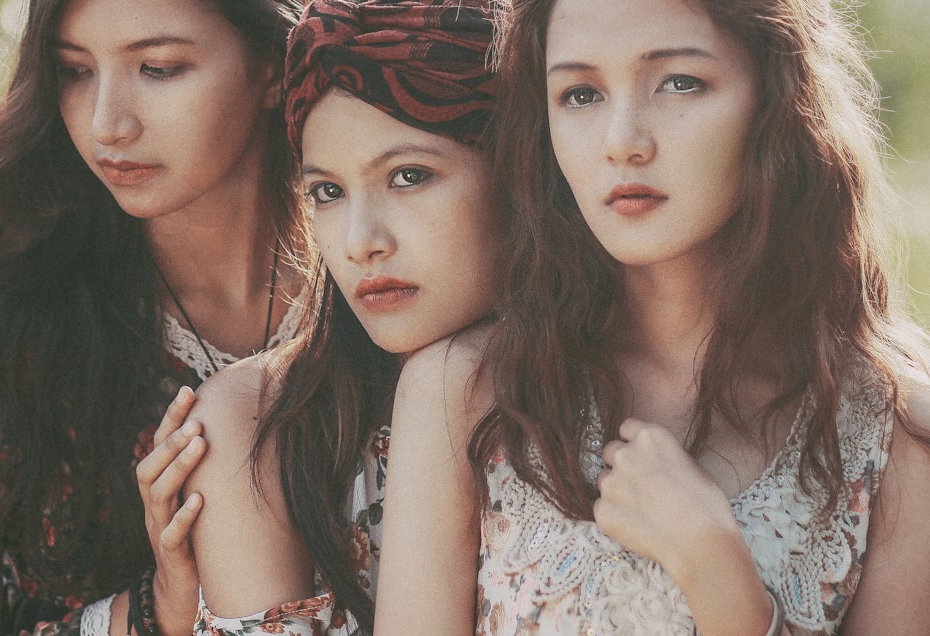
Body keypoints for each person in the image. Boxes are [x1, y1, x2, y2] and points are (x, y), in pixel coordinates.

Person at [453, 0, 930, 633]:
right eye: (580, 94)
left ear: (777, 99)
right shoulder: (467, 388)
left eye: (680, 82)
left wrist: (714, 566)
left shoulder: (894, 428)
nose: (623, 140)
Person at [0, 0, 306, 633]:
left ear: (271, 68)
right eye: (74, 71)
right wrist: (156, 609)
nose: (106, 124)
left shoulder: (382, 295)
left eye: (157, 68)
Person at [147, 0, 503, 634]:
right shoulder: (251, 430)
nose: (360, 240)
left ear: (515, 174)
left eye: (409, 175)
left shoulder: (620, 384)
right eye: (328, 192)